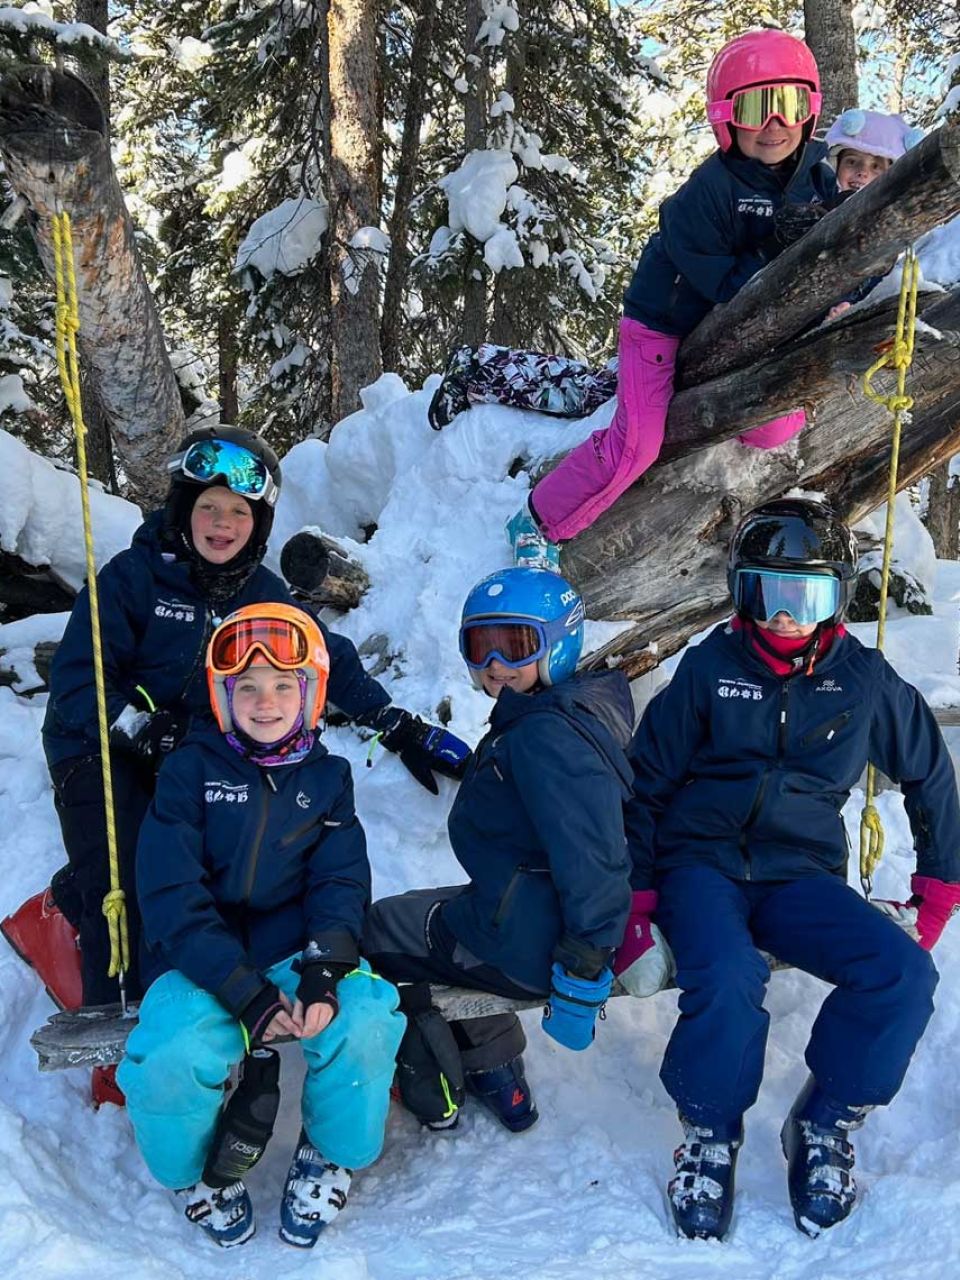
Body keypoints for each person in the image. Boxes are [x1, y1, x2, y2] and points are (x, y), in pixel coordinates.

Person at [1, 425, 466, 1104]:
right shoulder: (132, 578)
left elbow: (325, 657)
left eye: (239, 513)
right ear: (183, 509)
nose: (222, 524)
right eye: (209, 507)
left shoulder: (261, 592)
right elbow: (77, 685)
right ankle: (118, 1040)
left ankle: (156, 958)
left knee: (216, 857)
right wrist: (139, 726)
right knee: (126, 875)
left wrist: (393, 721)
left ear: (259, 524)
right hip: (98, 745)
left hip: (195, 748)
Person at [620, 497, 960, 1241]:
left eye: (805, 597)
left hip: (800, 874)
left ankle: (825, 1119)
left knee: (902, 974)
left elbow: (929, 774)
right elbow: (644, 785)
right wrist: (639, 899)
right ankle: (709, 1133)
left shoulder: (861, 680)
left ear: (836, 598)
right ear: (741, 593)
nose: (783, 617)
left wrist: (937, 888)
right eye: (767, 593)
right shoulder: (711, 667)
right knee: (728, 975)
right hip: (701, 865)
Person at [116, 603, 405, 1248]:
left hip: (292, 948)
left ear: (311, 695)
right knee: (172, 1051)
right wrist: (245, 993)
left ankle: (331, 1152)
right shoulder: (188, 772)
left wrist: (325, 970)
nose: (265, 702)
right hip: (199, 959)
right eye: (246, 686)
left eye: (282, 685)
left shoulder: (328, 778)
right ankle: (195, 1173)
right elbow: (170, 895)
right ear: (222, 697)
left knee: (365, 1019)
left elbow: (339, 881)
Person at [499, 30, 837, 570]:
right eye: (756, 109)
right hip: (661, 328)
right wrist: (774, 246)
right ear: (727, 117)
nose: (775, 124)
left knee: (772, 426)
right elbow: (723, 287)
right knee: (638, 446)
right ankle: (539, 520)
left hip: (738, 333)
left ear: (810, 110)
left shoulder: (817, 179)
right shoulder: (706, 193)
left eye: (789, 105)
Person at [363, 567, 634, 1134]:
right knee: (425, 912)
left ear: (559, 643)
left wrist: (584, 971)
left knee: (377, 931)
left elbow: (594, 858)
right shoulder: (567, 710)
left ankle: (449, 1080)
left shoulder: (544, 736)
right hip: (526, 904)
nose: (494, 664)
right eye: (480, 646)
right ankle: (496, 1073)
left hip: (532, 942)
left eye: (515, 645)